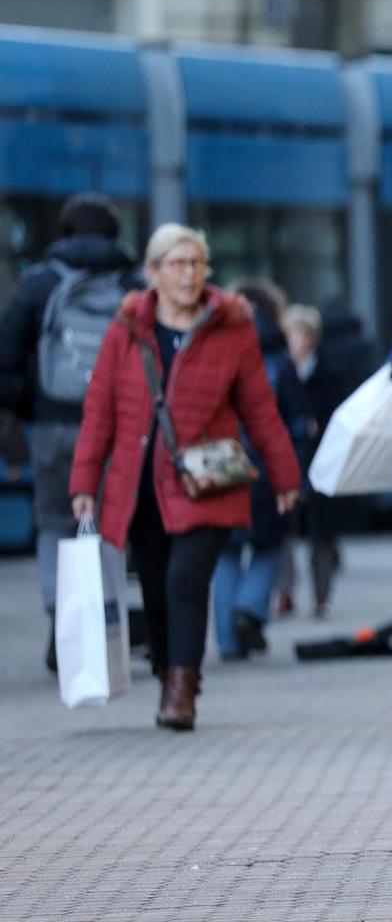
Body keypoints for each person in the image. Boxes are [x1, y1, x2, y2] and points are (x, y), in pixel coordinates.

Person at [69, 224, 301, 730]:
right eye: (177, 263)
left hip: (206, 481)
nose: (189, 273)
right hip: (140, 487)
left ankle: (182, 688)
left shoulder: (233, 326)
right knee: (154, 583)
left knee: (185, 578)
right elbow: (100, 413)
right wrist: (84, 484)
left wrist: (285, 476)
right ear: (153, 273)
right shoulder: (125, 329)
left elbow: (260, 409)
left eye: (197, 263)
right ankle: (166, 668)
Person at [0, 192, 141, 672]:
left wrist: (24, 407)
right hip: (118, 428)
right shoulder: (131, 282)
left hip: (53, 424)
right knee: (106, 525)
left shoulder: (40, 283)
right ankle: (101, 621)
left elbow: (7, 354)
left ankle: (63, 616)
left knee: (57, 521)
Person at [210, 278, 311, 660]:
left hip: (220, 462)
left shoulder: (214, 350)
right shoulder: (280, 360)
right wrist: (296, 469)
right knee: (268, 545)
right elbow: (296, 421)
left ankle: (227, 640)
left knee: (226, 552)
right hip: (267, 466)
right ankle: (250, 609)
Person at [277, 298, 377, 617]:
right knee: (284, 529)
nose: (295, 341)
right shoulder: (279, 371)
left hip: (322, 459)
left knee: (323, 532)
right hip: (288, 457)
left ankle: (321, 596)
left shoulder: (331, 371)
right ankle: (285, 591)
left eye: (299, 334)